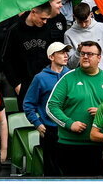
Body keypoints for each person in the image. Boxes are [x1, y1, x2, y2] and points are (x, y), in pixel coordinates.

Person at [46, 40, 103, 176]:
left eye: (90, 54)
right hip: (70, 145)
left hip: (102, 145)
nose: (85, 56)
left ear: (99, 58)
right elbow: (51, 107)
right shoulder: (68, 78)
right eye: (82, 53)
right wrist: (69, 123)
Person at [22, 41, 69, 176]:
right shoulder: (40, 78)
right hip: (50, 129)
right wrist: (37, 123)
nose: (65, 55)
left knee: (68, 167)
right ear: (51, 57)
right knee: (51, 169)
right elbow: (28, 103)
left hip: (68, 127)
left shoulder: (71, 75)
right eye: (61, 52)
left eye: (66, 52)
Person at [63, 1, 103, 76]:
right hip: (82, 77)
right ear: (74, 17)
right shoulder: (68, 34)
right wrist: (78, 52)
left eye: (86, 21)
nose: (84, 25)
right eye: (80, 22)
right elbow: (70, 65)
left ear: (91, 14)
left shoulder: (102, 28)